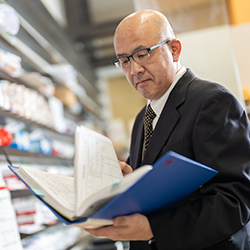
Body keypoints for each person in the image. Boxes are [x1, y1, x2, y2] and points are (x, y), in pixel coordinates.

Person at [79, 9, 250, 250]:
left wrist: (152, 229)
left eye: (142, 54)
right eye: (125, 60)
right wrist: (126, 181)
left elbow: (236, 201)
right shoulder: (143, 118)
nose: (134, 70)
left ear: (174, 49)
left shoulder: (212, 102)